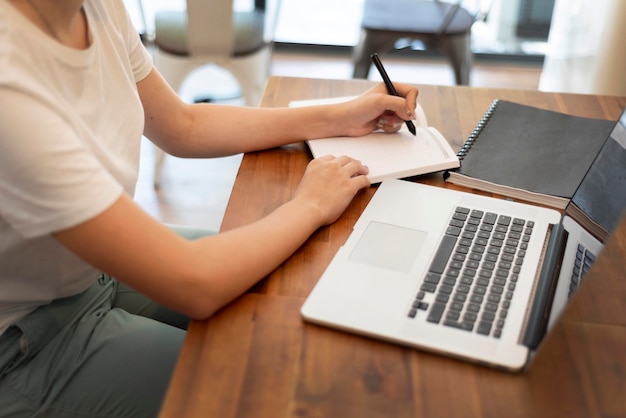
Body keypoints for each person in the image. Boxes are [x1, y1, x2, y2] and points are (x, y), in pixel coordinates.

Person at [0, 0, 419, 416]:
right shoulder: (10, 81)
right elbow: (195, 282)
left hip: (87, 271)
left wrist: (339, 117)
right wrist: (309, 205)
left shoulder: (95, 8)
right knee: (269, 382)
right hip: (25, 341)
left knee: (299, 286)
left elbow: (183, 125)